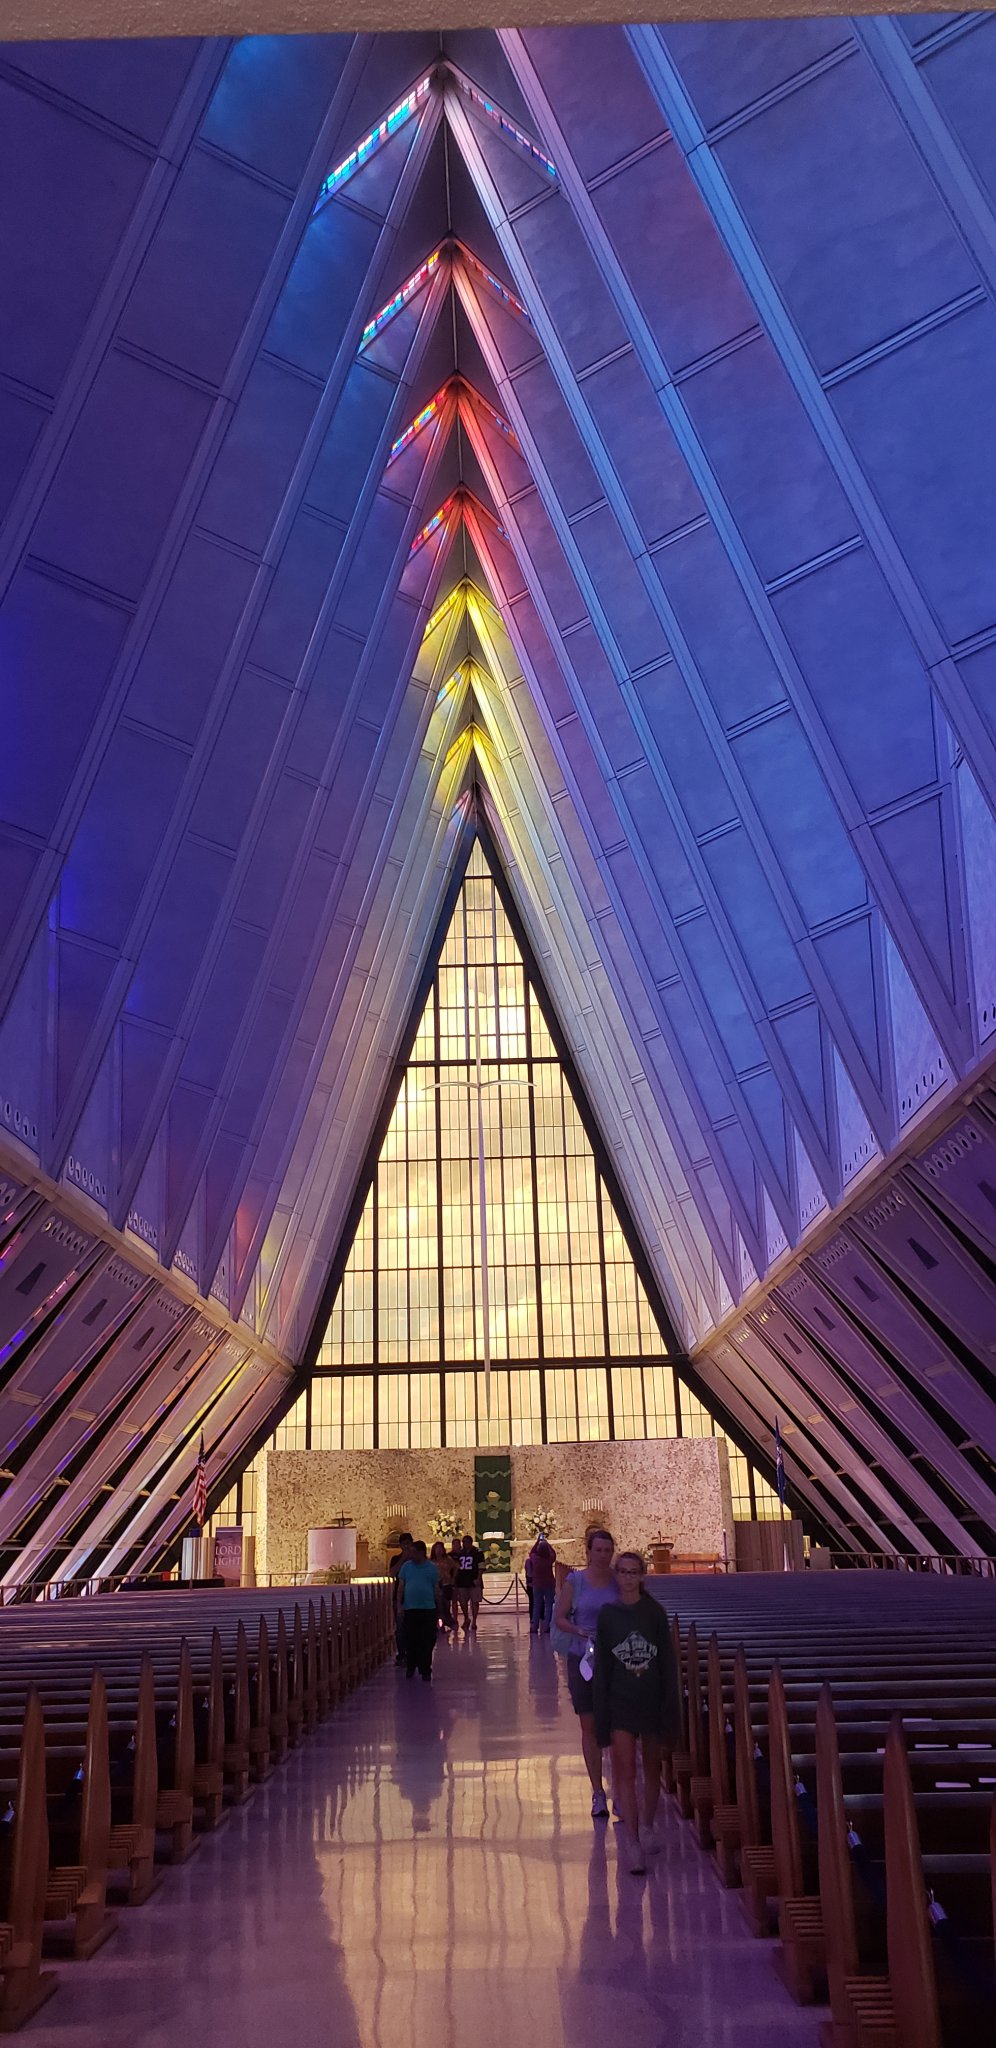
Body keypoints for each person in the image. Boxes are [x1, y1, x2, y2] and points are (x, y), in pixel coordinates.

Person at [593, 1550, 680, 1873]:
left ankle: (647, 1824)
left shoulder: (654, 1613)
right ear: (617, 1575)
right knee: (625, 1771)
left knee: (652, 1768)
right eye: (623, 1572)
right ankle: (631, 1841)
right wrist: (601, 1711)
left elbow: (667, 1664)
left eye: (634, 1572)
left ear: (642, 1575)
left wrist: (671, 1708)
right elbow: (602, 1665)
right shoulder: (608, 1615)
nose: (628, 1578)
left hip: (650, 1698)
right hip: (620, 1700)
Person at [552, 1527, 618, 1819]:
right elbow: (560, 1618)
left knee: (618, 1726)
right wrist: (580, 1631)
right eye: (598, 1550)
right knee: (589, 1725)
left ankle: (621, 1790)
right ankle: (598, 1792)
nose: (603, 1556)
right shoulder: (575, 1582)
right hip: (584, 1659)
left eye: (608, 1550)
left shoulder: (621, 1581)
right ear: (588, 1553)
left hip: (616, 1661)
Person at [397, 1539, 440, 1681]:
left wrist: (438, 1606)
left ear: (421, 1553)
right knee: (410, 1639)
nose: (411, 1554)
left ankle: (425, 1668)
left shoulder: (432, 1568)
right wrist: (399, 1605)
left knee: (427, 1639)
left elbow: (436, 1588)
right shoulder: (406, 1567)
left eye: (413, 1552)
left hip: (428, 1608)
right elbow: (401, 1587)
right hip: (411, 1608)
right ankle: (411, 1665)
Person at [389, 1533, 415, 1664]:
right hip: (400, 1597)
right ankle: (402, 1653)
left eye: (408, 1543)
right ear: (400, 1546)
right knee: (400, 1627)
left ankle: (413, 1653)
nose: (406, 1546)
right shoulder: (395, 1559)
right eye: (404, 1544)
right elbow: (392, 1573)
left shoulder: (417, 1559)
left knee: (414, 1626)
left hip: (415, 1597)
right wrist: (403, 1559)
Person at [452, 1533, 483, 1633]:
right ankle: (466, 1617)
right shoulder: (460, 1553)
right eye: (464, 1542)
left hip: (473, 1580)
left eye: (466, 1542)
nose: (465, 1544)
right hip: (462, 1580)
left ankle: (474, 1621)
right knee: (462, 1601)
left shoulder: (477, 1552)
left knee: (475, 1601)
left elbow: (481, 1565)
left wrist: (478, 1578)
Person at [527, 1533, 557, 1633]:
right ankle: (546, 1626)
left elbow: (531, 1552)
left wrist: (537, 1542)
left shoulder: (535, 1559)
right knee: (548, 1605)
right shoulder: (549, 1559)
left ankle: (534, 1626)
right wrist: (547, 1543)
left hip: (537, 1584)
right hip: (549, 1583)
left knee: (537, 1605)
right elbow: (554, 1553)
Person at [430, 1540, 456, 1630]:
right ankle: (440, 1624)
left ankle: (448, 1621)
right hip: (435, 1585)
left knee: (446, 1605)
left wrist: (452, 1578)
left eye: (440, 1548)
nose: (439, 1550)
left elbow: (456, 1567)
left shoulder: (448, 1559)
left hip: (446, 1584)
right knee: (438, 1605)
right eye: (437, 1548)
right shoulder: (431, 1561)